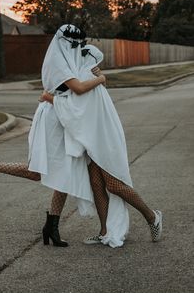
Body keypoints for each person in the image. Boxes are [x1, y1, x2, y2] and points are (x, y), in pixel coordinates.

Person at [0, 24, 109, 248]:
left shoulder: (69, 58)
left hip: (65, 117)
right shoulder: (57, 61)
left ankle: (51, 227)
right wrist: (101, 79)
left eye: (80, 44)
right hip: (52, 120)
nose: (77, 48)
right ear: (63, 42)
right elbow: (79, 88)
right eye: (74, 44)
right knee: (37, 171)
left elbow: (88, 65)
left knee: (65, 171)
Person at [41, 35, 163, 245]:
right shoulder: (86, 78)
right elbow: (76, 104)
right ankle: (105, 231)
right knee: (97, 185)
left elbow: (74, 110)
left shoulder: (89, 78)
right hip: (92, 142)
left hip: (104, 140)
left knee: (115, 185)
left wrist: (48, 98)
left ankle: (152, 217)